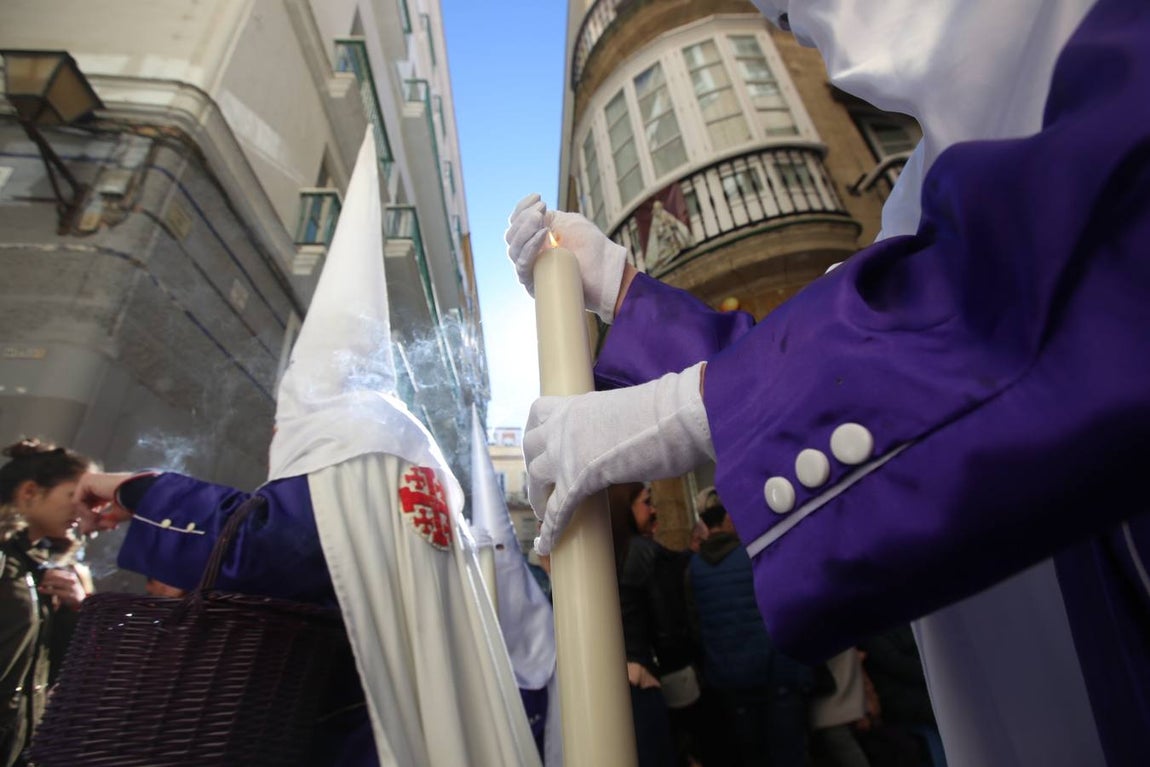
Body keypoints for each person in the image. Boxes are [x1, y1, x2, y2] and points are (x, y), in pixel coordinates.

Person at [506, 1, 1149, 764]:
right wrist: (621, 291)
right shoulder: (925, 188)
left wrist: (692, 408)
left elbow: (1067, 293)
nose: (787, 19)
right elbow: (849, 349)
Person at [687, 503, 814, 767]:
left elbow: (694, 625)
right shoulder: (754, 553)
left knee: (752, 754)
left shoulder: (694, 568)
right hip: (773, 672)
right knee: (788, 753)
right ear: (727, 521)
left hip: (729, 678)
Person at [0, 439, 91, 767]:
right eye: (74, 497)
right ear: (29, 492)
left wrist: (76, 611)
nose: (84, 511)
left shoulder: (42, 568)